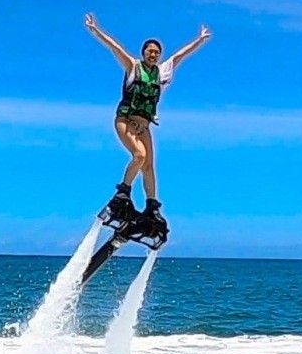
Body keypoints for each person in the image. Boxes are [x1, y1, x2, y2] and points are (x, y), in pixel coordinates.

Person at [84, 12, 211, 233]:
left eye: (156, 52)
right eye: (149, 51)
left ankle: (152, 206)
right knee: (140, 156)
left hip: (144, 126)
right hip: (125, 121)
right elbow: (115, 48)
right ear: (143, 53)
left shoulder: (162, 73)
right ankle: (122, 193)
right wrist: (95, 30)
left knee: (150, 166)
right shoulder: (134, 67)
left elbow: (181, 55)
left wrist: (199, 40)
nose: (153, 54)